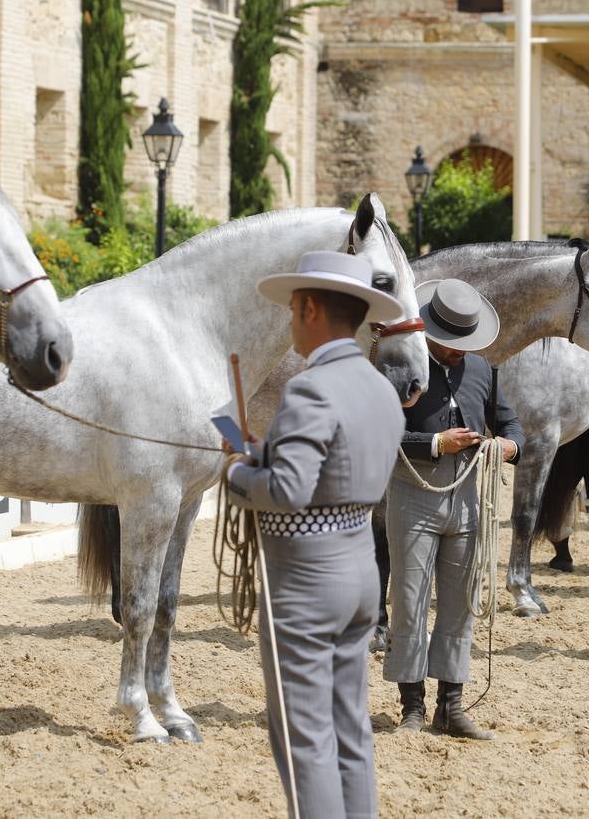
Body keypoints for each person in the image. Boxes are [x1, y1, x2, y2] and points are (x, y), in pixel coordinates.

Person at [223, 250, 407, 819]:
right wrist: (261, 454)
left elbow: (288, 490)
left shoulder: (309, 389)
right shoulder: (379, 387)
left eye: (291, 311)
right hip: (358, 569)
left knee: (304, 740)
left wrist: (234, 470)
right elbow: (330, 466)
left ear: (307, 308)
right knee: (349, 729)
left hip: (306, 580)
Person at [384, 278, 524, 740]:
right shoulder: (402, 366)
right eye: (450, 345)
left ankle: (452, 705)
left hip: (468, 497)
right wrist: (435, 443)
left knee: (460, 602)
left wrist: (508, 445)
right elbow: (381, 430)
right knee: (409, 601)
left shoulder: (485, 367)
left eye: (464, 344)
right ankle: (411, 707)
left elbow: (511, 422)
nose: (458, 353)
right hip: (413, 492)